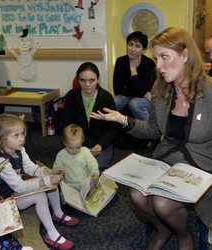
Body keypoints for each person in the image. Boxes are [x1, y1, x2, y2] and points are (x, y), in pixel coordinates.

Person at [90, 27, 212, 250]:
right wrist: (123, 120)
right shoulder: (160, 88)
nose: (159, 66)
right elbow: (155, 130)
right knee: (137, 194)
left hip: (201, 163)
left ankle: (184, 236)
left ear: (185, 56)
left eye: (165, 57)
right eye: (156, 58)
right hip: (167, 157)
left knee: (162, 202)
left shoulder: (210, 91)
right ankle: (164, 230)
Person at [0, 113, 78, 250]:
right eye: (16, 136)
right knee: (40, 195)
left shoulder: (19, 149)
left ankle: (57, 213)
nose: (22, 139)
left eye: (22, 134)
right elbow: (19, 186)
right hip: (7, 202)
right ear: (2, 139)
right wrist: (46, 180)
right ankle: (52, 234)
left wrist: (49, 171)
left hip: (17, 193)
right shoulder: (0, 162)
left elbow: (31, 168)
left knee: (50, 184)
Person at [62, 62, 117, 172]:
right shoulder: (71, 97)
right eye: (83, 80)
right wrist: (78, 146)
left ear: (98, 80)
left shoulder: (106, 97)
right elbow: (66, 124)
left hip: (101, 145)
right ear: (78, 80)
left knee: (96, 168)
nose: (87, 84)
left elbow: (113, 128)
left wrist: (101, 145)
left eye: (92, 80)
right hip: (77, 145)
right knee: (72, 168)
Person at [113, 31, 156, 120]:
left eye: (137, 46)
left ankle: (150, 130)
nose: (132, 49)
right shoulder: (120, 61)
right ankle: (116, 130)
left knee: (134, 103)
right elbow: (117, 89)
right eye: (130, 44)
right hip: (128, 96)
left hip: (142, 100)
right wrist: (139, 92)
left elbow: (143, 91)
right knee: (114, 101)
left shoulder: (149, 64)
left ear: (143, 50)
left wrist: (133, 70)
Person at [53, 124, 99, 191]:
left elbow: (92, 163)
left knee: (97, 189)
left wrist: (94, 172)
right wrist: (58, 173)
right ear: (65, 143)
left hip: (86, 183)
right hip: (70, 185)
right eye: (71, 148)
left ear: (82, 142)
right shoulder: (61, 155)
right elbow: (56, 169)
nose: (74, 150)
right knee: (62, 195)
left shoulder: (85, 151)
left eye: (78, 147)